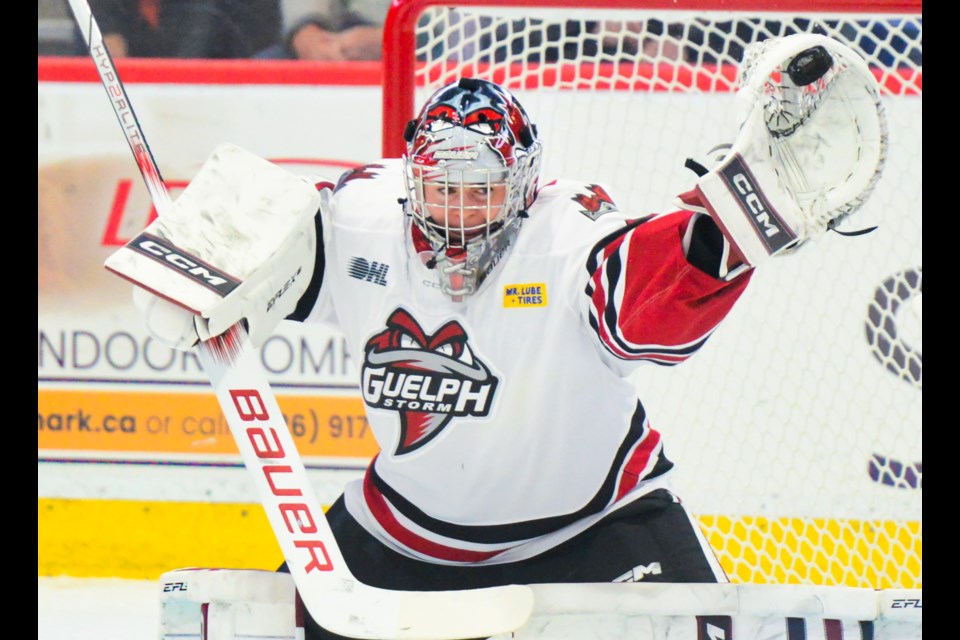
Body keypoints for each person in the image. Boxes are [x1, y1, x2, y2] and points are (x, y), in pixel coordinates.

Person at [131, 38, 885, 638]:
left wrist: (726, 232)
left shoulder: (567, 236)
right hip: (401, 536)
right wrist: (201, 257)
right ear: (411, 183)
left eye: (482, 190)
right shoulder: (362, 217)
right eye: (442, 191)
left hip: (596, 531)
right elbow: (268, 251)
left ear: (525, 186)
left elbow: (644, 309)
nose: (458, 214)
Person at [253, 0, 388, 60]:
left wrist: (393, 42)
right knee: (254, 80)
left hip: (399, 33)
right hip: (339, 31)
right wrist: (307, 31)